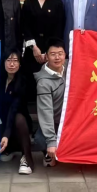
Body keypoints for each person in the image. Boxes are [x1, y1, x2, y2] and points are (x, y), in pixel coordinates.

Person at [21, 0, 65, 100]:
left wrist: (48, 51)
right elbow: (24, 27)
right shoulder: (28, 4)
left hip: (51, 50)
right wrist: (34, 47)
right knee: (31, 84)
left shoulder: (57, 3)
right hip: (32, 50)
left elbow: (59, 27)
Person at [0, 49, 34, 175]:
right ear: (3, 62)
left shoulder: (22, 82)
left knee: (19, 118)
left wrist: (6, 134)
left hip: (18, 124)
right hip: (2, 120)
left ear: (20, 64)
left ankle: (26, 158)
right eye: (8, 60)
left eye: (15, 61)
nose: (12, 64)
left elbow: (14, 108)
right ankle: (9, 148)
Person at [34, 38, 67, 168]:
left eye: (60, 53)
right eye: (53, 54)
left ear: (65, 55)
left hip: (72, 119)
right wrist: (51, 141)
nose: (57, 57)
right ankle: (49, 153)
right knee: (41, 139)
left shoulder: (70, 67)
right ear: (46, 57)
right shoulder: (43, 83)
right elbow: (46, 111)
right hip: (55, 121)